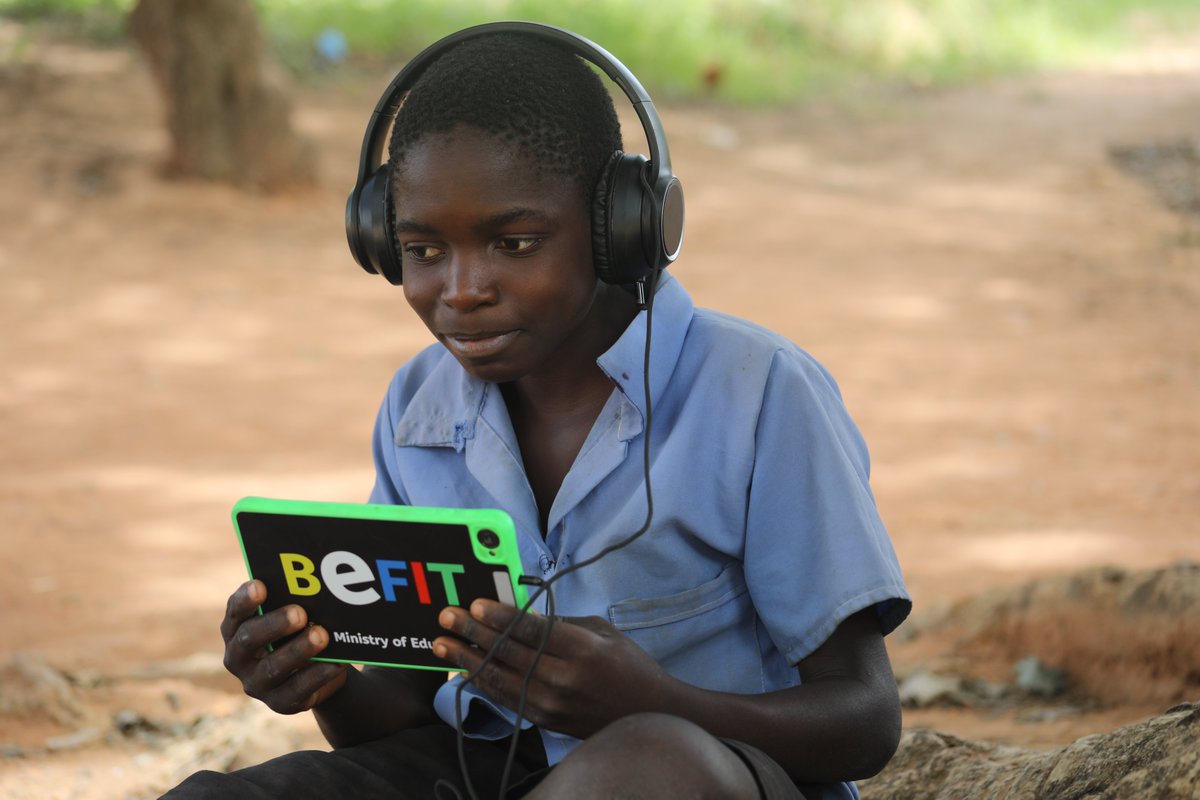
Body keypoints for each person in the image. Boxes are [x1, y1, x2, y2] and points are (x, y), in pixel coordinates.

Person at [166, 23, 911, 800]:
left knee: (648, 763)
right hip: (481, 772)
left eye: (513, 243)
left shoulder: (759, 393)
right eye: (423, 251)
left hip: (700, 775)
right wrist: (322, 681)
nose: (461, 289)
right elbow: (408, 715)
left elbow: (865, 720)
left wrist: (658, 704)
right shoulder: (417, 408)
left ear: (621, 227)